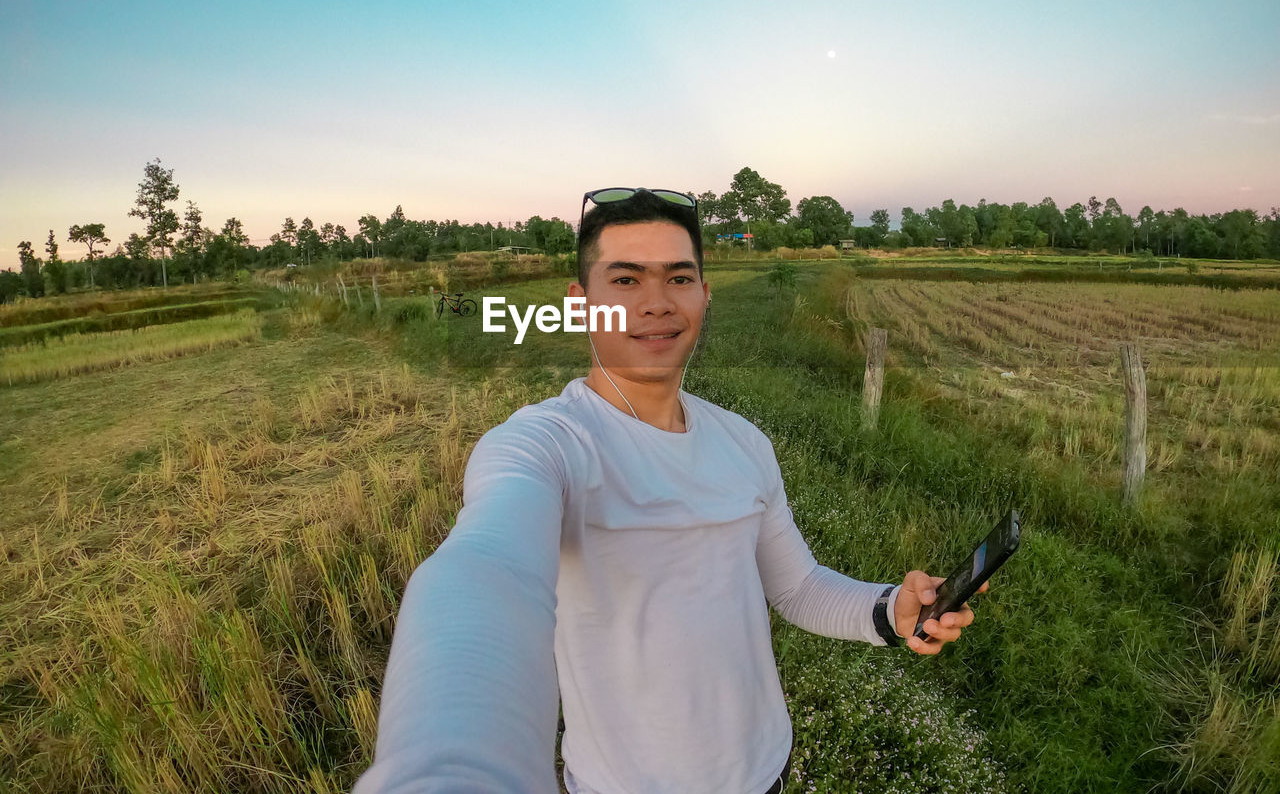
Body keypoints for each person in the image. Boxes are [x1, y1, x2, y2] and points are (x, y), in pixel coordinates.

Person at [351, 188, 987, 794]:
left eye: (678, 278)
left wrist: (891, 611)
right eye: (625, 280)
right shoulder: (547, 445)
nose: (657, 302)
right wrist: (453, 770)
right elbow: (485, 572)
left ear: (705, 296)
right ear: (580, 303)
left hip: (764, 767)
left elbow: (796, 586)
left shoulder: (744, 443)